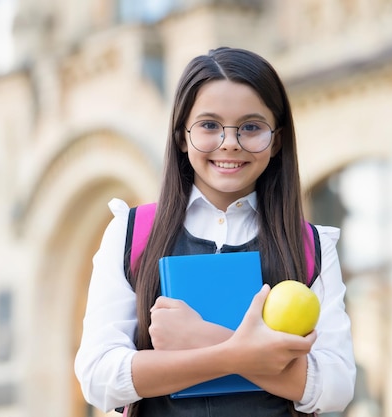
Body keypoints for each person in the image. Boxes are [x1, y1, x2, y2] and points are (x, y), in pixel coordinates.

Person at [75, 47, 356, 417]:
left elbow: (335, 387)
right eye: (209, 125)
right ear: (181, 136)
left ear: (277, 140)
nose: (230, 143)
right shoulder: (130, 233)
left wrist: (202, 339)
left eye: (251, 127)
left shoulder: (312, 246)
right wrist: (241, 355)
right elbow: (99, 377)